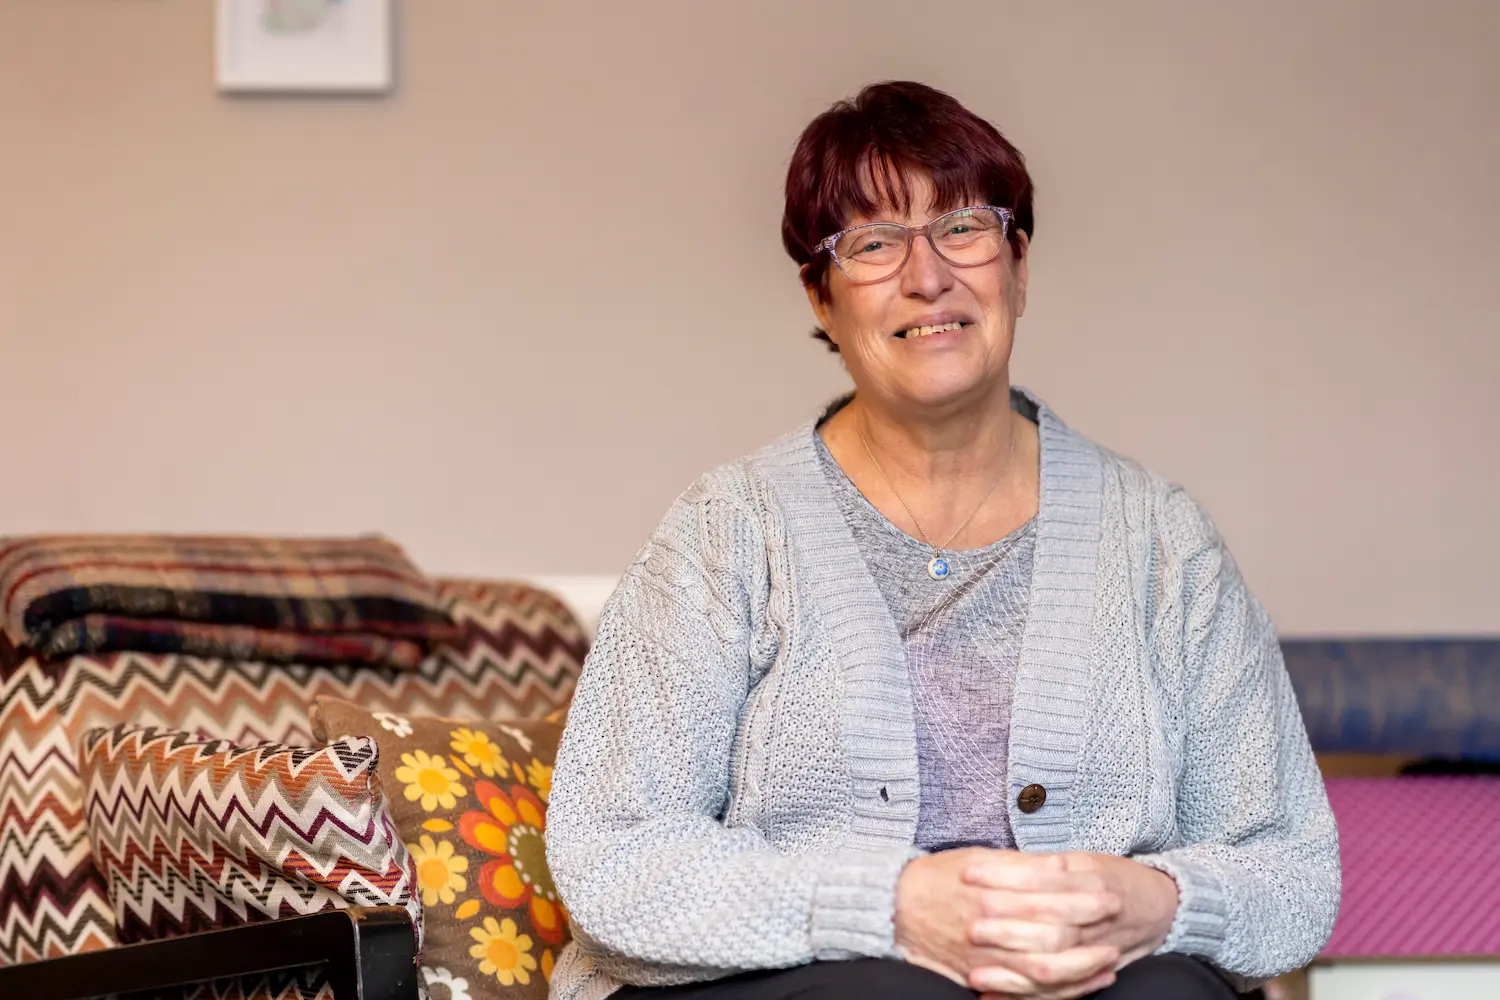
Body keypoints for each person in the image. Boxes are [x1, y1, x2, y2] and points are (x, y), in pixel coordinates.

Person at [545, 81, 1339, 1000]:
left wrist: (1160, 901)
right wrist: (889, 904)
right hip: (784, 979)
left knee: (1165, 991)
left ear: (1018, 264)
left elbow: (1290, 865)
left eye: (962, 227)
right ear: (823, 296)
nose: (928, 277)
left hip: (1088, 981)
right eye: (874, 244)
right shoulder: (726, 533)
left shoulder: (1163, 541)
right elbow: (613, 853)